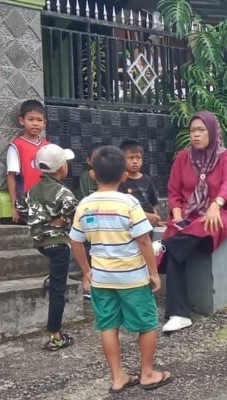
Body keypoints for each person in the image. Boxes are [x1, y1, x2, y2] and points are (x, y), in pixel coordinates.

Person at [70, 146, 172, 393]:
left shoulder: (84, 204)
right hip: (133, 278)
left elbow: (76, 241)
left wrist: (86, 271)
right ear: (123, 175)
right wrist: (153, 273)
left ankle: (117, 377)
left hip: (102, 279)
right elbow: (144, 240)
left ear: (93, 174)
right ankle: (147, 373)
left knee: (107, 325)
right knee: (146, 324)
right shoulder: (129, 203)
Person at [158, 112, 227, 333]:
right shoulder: (183, 158)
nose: (195, 135)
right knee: (177, 238)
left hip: (219, 213)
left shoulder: (226, 156)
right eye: (192, 130)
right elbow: (174, 192)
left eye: (201, 130)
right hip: (188, 216)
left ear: (211, 132)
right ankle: (179, 314)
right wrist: (177, 217)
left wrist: (216, 204)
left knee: (179, 238)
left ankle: (160, 254)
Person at [15, 144, 77, 351]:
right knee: (58, 290)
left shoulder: (32, 190)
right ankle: (55, 335)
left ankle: (52, 277)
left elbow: (21, 208)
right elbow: (76, 214)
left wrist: (39, 223)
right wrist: (59, 221)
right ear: (61, 168)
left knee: (56, 271)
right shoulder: (63, 193)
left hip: (40, 243)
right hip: (58, 244)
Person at [7, 100, 50, 223]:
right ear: (22, 121)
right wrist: (14, 206)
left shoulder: (48, 146)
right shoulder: (16, 146)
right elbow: (11, 177)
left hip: (48, 201)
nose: (35, 124)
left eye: (39, 120)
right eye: (31, 119)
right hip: (27, 203)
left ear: (44, 123)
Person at [118, 140, 163, 227]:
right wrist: (146, 216)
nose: (135, 161)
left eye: (138, 158)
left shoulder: (147, 179)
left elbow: (152, 203)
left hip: (148, 224)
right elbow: (122, 208)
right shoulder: (120, 181)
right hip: (130, 223)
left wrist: (156, 220)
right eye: (131, 158)